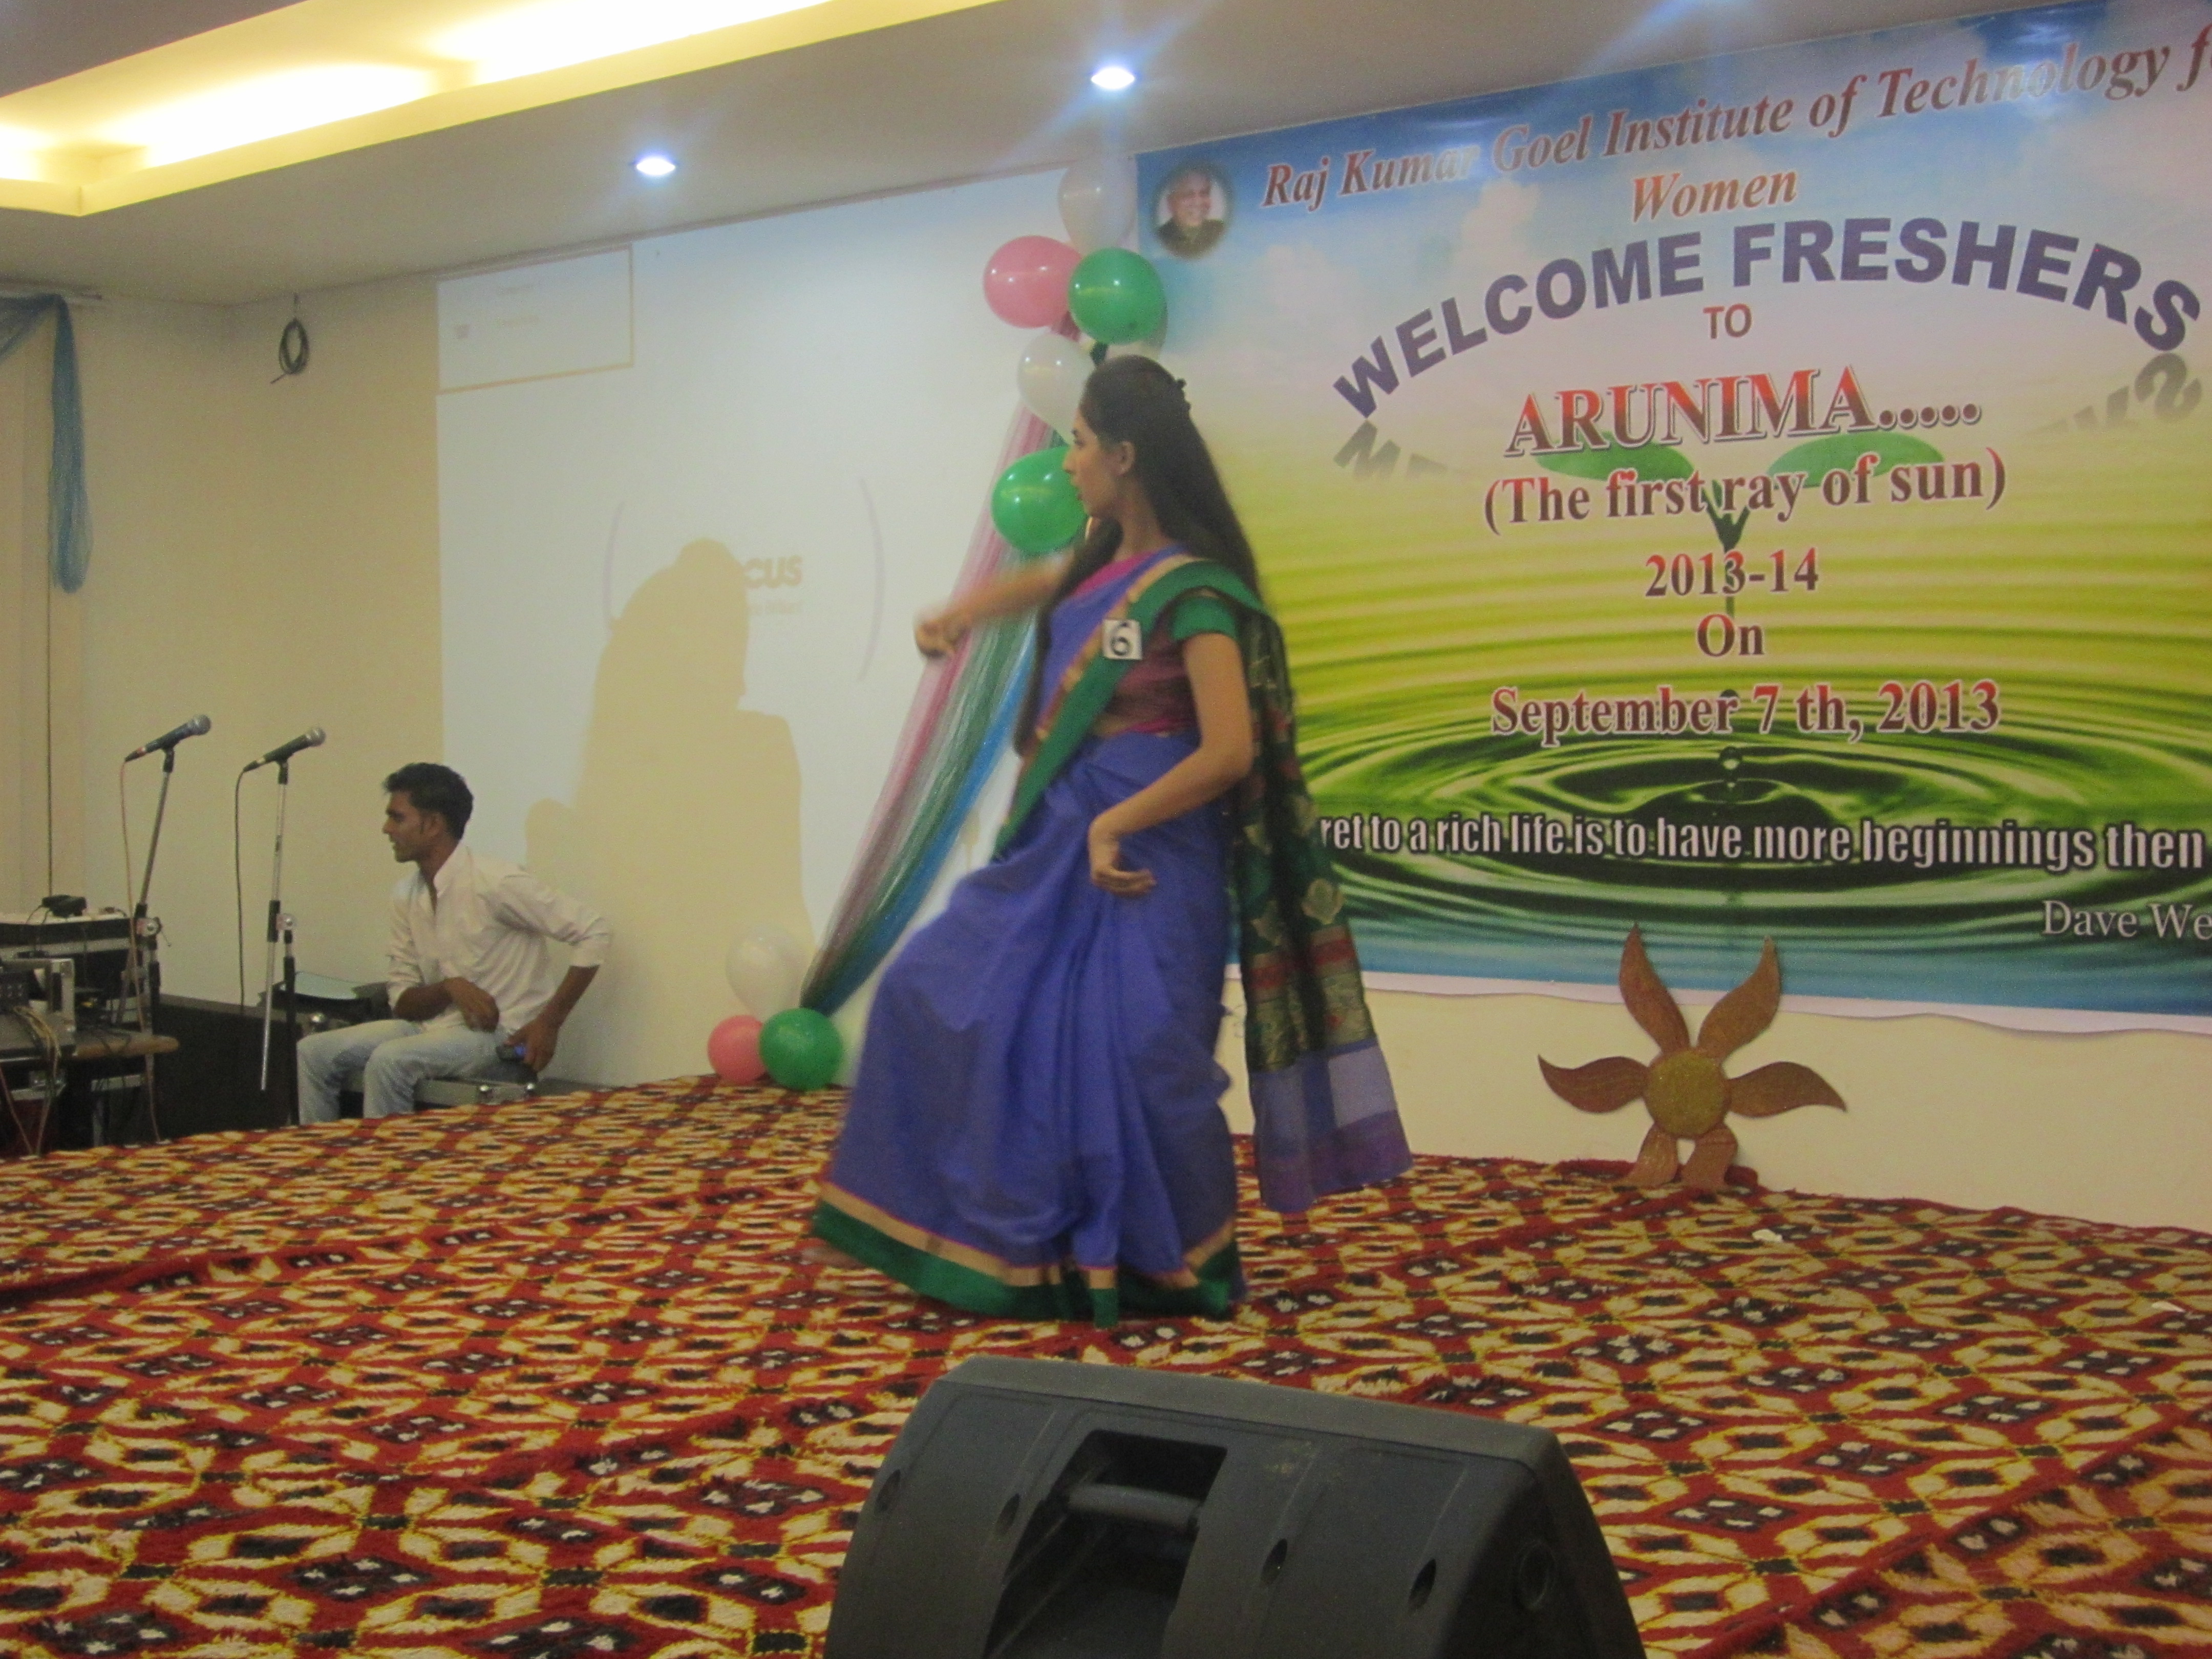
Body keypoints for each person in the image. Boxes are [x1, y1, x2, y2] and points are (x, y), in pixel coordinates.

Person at [811, 356, 1410, 1324]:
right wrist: (963, 613)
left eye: (1081, 442)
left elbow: (1228, 751)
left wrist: (1117, 823)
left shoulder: (1199, 593)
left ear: (1125, 456)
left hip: (1152, 854)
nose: (1069, 461)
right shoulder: (1104, 566)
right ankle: (1016, 1246)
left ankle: (1167, 1266)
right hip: (1061, 842)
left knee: (1141, 1056)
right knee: (934, 991)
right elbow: (1054, 585)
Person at [296, 763, 611, 1124]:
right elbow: (402, 1001)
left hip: (500, 1036)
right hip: (429, 1027)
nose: (386, 829)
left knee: (390, 1061)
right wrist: (449, 989)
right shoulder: (406, 894)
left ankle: (392, 1160)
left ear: (433, 824)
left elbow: (594, 932)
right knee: (313, 1052)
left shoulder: (495, 881)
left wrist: (549, 1023)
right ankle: (320, 1153)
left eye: (397, 818)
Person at [1156, 165, 1227, 258]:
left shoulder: (1220, 230)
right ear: (1171, 202)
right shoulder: (1161, 237)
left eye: (1204, 193)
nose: (1198, 203)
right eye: (1188, 195)